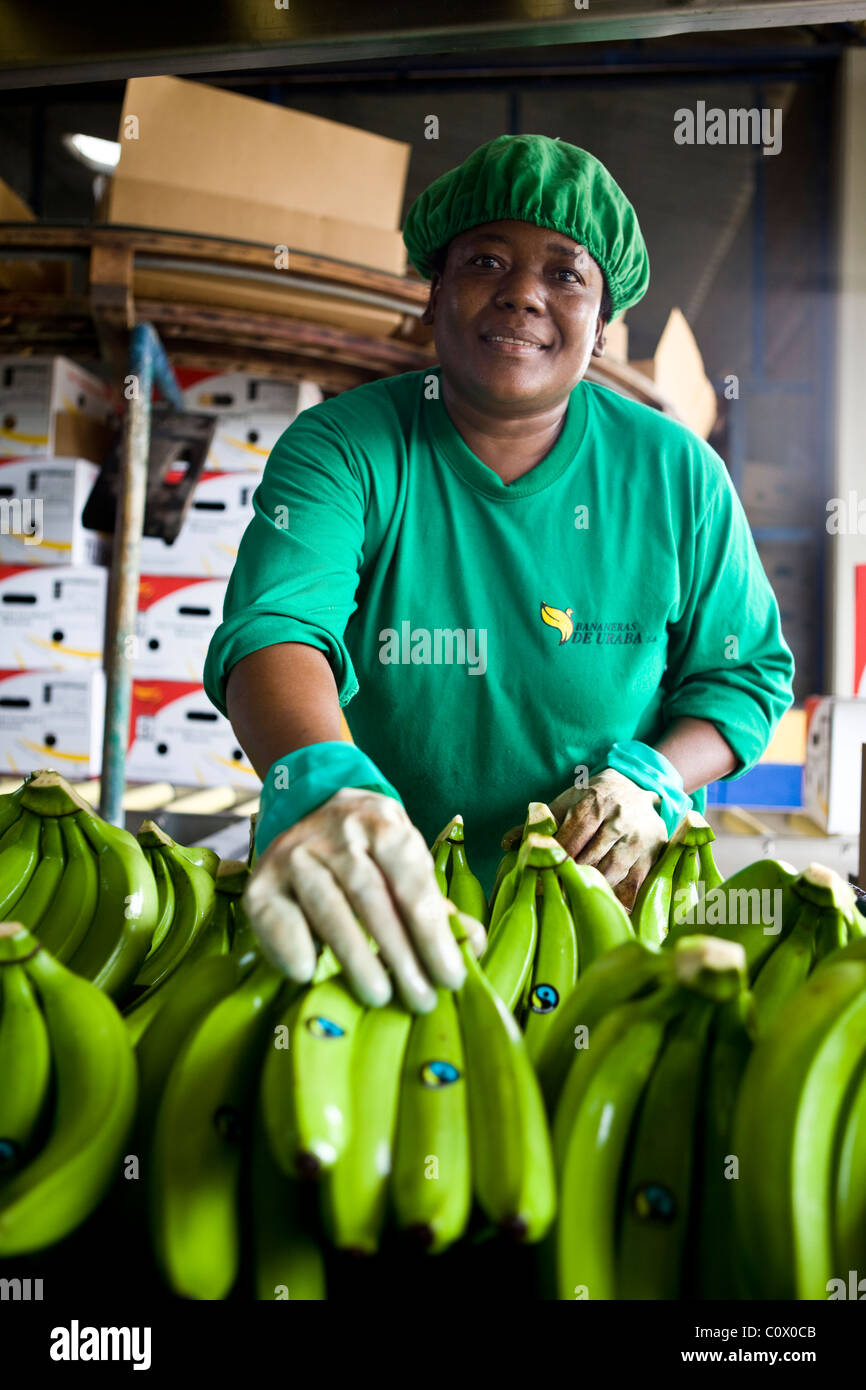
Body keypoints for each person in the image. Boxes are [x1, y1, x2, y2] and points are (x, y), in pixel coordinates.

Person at [203, 133, 794, 1013]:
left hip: (595, 926)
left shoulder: (677, 476)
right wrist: (321, 784)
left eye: (565, 274)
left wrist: (655, 780)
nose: (523, 292)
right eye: (485, 260)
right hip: (370, 904)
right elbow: (277, 629)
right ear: (434, 291)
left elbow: (744, 676)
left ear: (600, 323)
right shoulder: (345, 447)